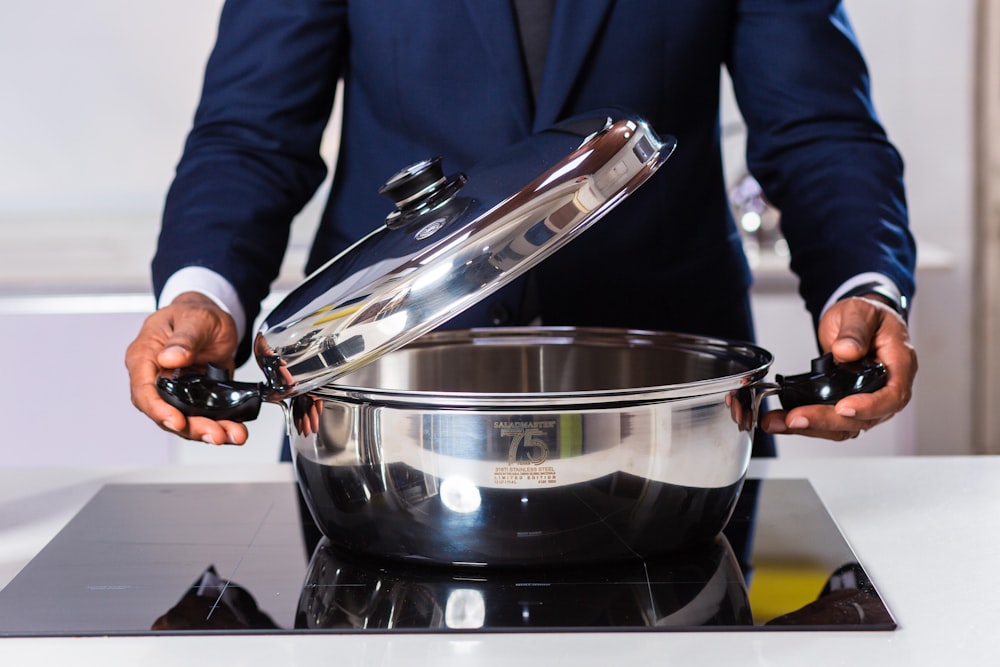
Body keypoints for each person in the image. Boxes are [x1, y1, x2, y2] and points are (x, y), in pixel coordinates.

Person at [126, 0, 917, 454]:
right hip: (375, 411)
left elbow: (819, 124)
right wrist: (204, 292)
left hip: (673, 407)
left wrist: (864, 282)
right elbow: (252, 134)